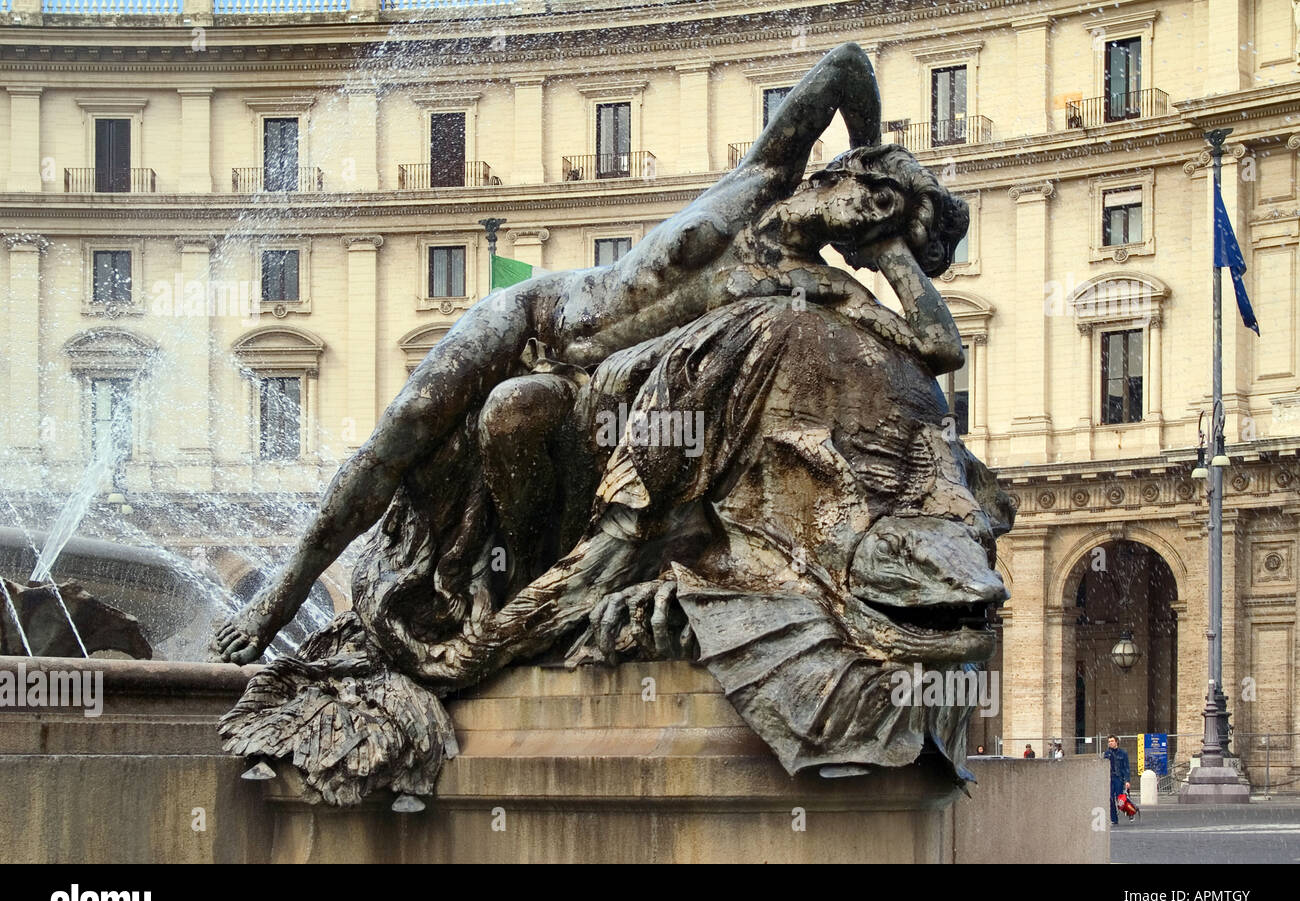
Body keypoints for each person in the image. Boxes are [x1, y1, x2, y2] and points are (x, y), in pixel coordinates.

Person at [211, 41, 969, 665]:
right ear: (850, 173)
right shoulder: (763, 179)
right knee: (395, 441)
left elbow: (941, 346)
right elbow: (845, 65)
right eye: (875, 198)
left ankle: (519, 590)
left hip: (585, 387)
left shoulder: (816, 291)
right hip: (534, 313)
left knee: (517, 419)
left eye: (886, 220)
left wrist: (897, 251)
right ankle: (281, 597)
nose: (871, 217)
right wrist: (873, 151)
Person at [1104, 734, 1131, 825]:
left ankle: (1130, 811)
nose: (1110, 743)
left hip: (1119, 778)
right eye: (1109, 741)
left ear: (1116, 742)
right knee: (1110, 798)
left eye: (1112, 741)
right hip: (1109, 778)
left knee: (1120, 800)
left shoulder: (1123, 753)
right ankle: (1114, 819)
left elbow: (1126, 767)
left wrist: (1127, 780)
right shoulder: (1107, 753)